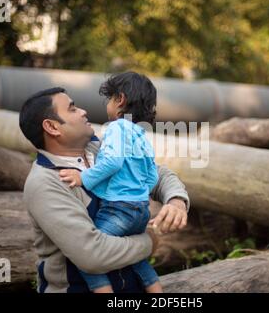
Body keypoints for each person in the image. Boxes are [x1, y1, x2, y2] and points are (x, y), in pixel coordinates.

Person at [19, 86, 189, 293]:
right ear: (52, 127)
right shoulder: (45, 182)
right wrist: (150, 241)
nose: (83, 111)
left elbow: (157, 174)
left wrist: (176, 201)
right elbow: (93, 255)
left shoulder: (100, 149)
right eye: (72, 109)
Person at [59, 72, 161, 293]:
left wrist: (82, 177)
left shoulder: (117, 127)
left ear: (120, 100)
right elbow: (152, 175)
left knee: (88, 256)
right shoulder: (141, 134)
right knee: (137, 260)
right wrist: (139, 193)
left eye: (110, 99)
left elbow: (113, 162)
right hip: (141, 210)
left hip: (118, 209)